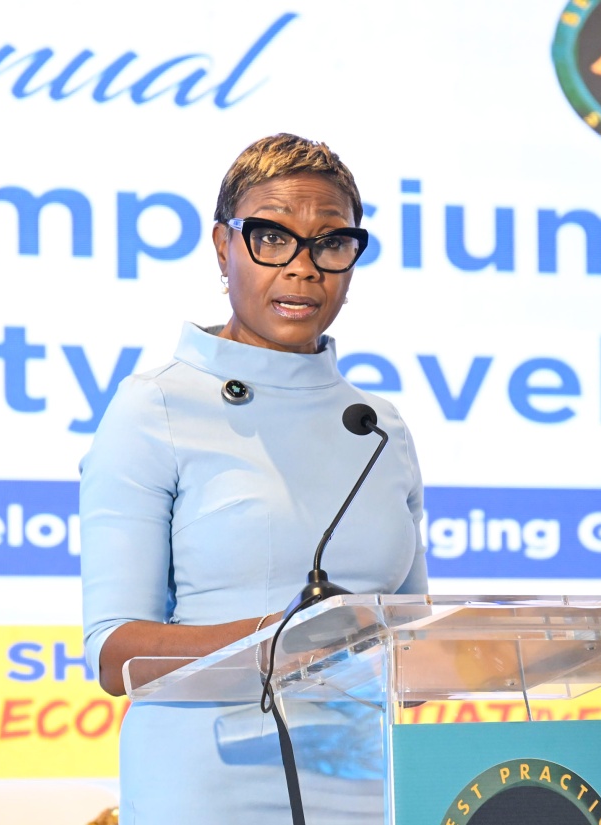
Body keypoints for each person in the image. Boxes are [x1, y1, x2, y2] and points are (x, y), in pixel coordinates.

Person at [80, 133, 428, 824]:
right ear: (223, 247)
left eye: (331, 242)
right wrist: (283, 640)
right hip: (207, 784)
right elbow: (115, 653)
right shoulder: (156, 406)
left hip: (366, 783)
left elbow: (415, 644)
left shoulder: (376, 426)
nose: (303, 267)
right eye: (272, 237)